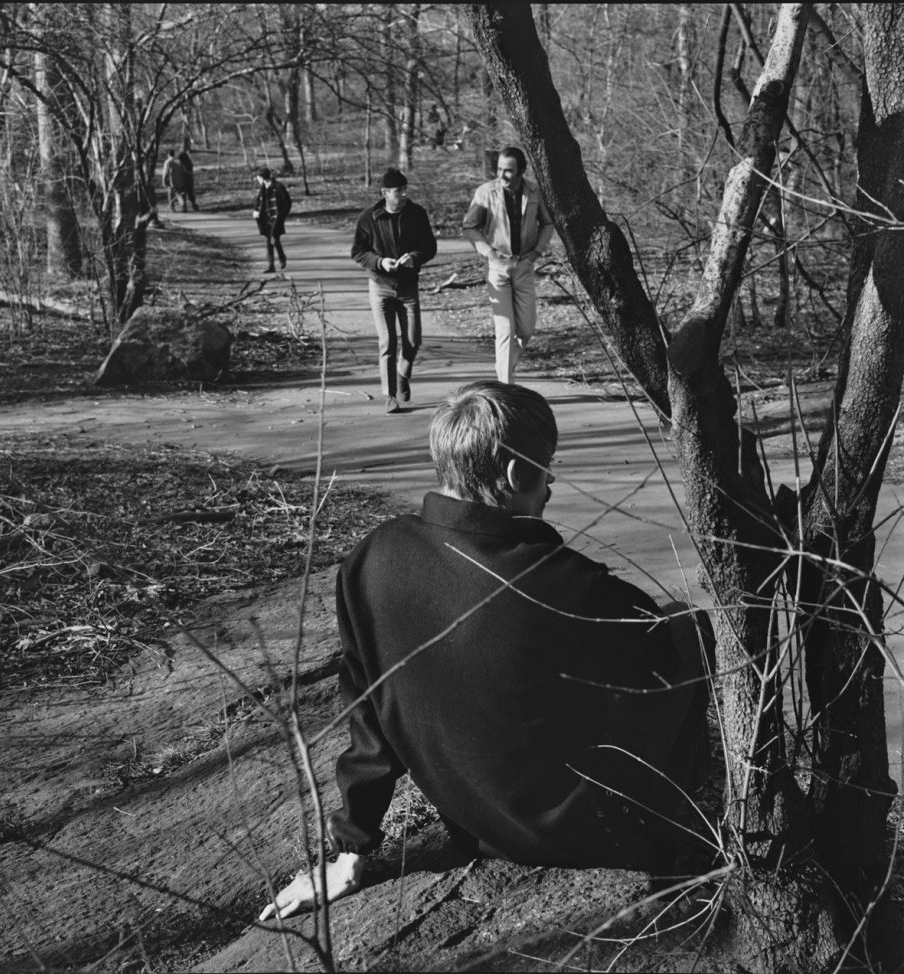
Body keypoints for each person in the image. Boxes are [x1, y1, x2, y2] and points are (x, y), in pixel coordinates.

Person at [259, 381, 715, 922]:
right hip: (582, 832)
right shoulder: (567, 584)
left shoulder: (372, 557)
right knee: (688, 640)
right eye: (548, 466)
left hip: (473, 821)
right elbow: (674, 659)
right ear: (519, 475)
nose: (550, 482)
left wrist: (352, 844)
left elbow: (369, 713)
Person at [462, 146, 555, 384]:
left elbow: (547, 223)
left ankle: (503, 368)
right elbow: (469, 226)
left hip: (524, 266)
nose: (503, 175)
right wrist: (488, 252)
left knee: (526, 329)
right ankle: (506, 388)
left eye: (509, 170)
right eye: (500, 169)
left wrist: (536, 253)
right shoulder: (485, 193)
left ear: (521, 171)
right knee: (505, 331)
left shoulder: (534, 191)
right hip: (497, 269)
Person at [351, 167, 437, 414]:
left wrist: (415, 257)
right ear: (385, 193)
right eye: (398, 191)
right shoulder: (370, 217)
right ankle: (389, 396)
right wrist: (380, 262)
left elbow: (429, 247)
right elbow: (357, 252)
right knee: (387, 341)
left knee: (413, 340)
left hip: (408, 286)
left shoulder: (417, 213)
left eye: (404, 190)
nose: (403, 195)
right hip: (380, 287)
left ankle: (403, 373)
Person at [252, 168, 292, 273]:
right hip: (266, 219)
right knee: (270, 241)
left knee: (274, 239)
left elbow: (287, 202)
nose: (257, 180)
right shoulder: (263, 188)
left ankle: (281, 258)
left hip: (276, 218)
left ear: (262, 178)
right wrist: (256, 211)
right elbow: (259, 202)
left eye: (258, 178)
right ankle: (272, 265)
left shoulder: (278, 187)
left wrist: (282, 215)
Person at [177, 147, 198, 211]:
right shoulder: (189, 162)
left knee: (182, 193)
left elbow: (182, 171)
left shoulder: (180, 163)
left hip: (183, 180)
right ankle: (194, 205)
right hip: (189, 180)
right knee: (191, 193)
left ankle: (184, 206)